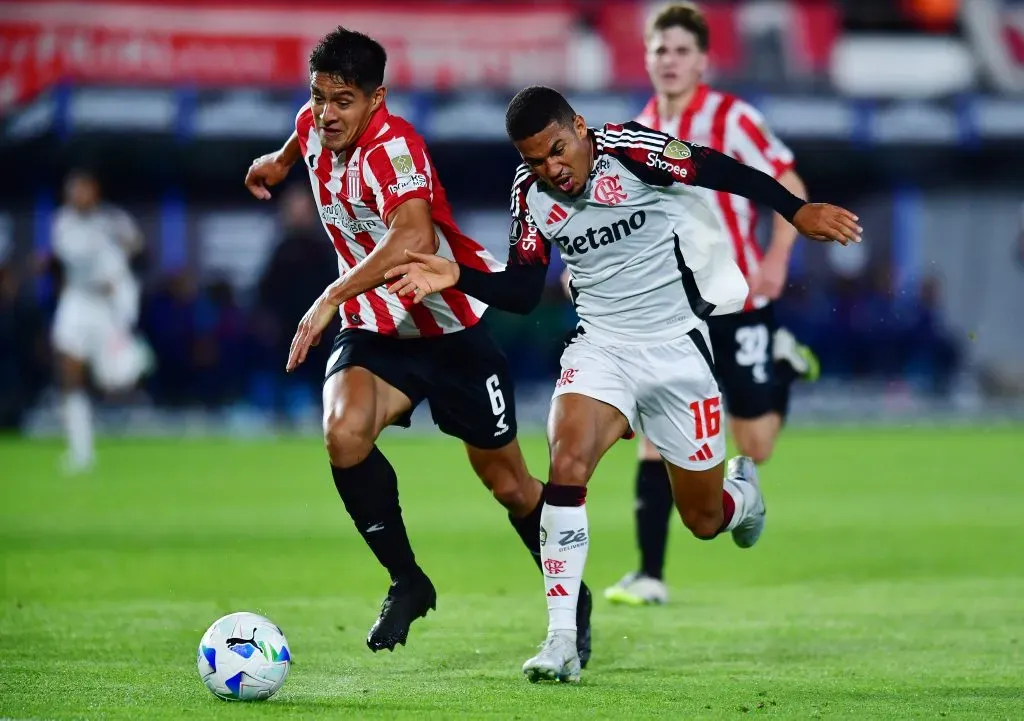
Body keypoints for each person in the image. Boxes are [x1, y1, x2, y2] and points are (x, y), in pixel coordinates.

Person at [384, 86, 860, 682]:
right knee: (568, 462)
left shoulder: (631, 151)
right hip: (602, 346)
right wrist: (458, 275)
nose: (552, 169)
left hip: (676, 349)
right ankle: (560, 639)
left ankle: (744, 498)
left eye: (558, 150)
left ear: (580, 128)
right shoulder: (530, 194)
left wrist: (795, 210)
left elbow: (716, 167)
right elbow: (526, 291)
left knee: (703, 519)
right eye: (535, 160)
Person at [242, 28, 593, 661]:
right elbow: (301, 134)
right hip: (378, 325)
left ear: (376, 99)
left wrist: (327, 298)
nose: (327, 113)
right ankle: (408, 580)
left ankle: (571, 596)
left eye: (343, 101)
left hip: (450, 330)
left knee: (510, 485)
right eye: (319, 96)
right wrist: (279, 161)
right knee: (343, 434)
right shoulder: (315, 123)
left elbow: (412, 240)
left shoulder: (396, 150)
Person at [603, 2, 822, 605]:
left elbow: (791, 185)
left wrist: (778, 258)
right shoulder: (636, 126)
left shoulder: (733, 117)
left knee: (754, 447)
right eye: (660, 50)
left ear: (703, 59)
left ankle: (780, 364)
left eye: (681, 51)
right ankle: (650, 573)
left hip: (739, 297)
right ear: (646, 58)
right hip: (674, 308)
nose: (670, 61)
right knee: (655, 435)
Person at [48, 169, 151, 473]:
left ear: (95, 191)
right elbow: (76, 257)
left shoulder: (113, 219)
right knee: (69, 372)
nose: (80, 195)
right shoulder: (63, 223)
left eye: (85, 189)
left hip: (108, 305)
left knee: (116, 380)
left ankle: (138, 360)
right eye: (75, 190)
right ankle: (81, 451)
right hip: (78, 301)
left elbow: (139, 249)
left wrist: (127, 245)